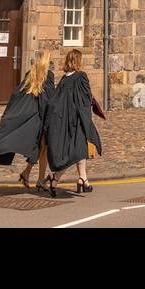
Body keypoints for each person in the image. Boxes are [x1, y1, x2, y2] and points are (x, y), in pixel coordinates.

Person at [0, 49, 55, 191]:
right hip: (42, 118)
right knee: (44, 148)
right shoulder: (49, 75)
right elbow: (49, 99)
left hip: (33, 119)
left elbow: (18, 95)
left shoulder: (30, 75)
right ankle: (40, 179)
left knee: (40, 148)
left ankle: (28, 173)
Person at [45, 49, 104, 194]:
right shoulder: (81, 76)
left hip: (64, 121)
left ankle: (83, 179)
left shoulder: (64, 79)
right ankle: (55, 179)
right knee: (75, 152)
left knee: (80, 149)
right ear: (78, 61)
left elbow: (55, 101)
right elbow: (85, 97)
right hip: (75, 121)